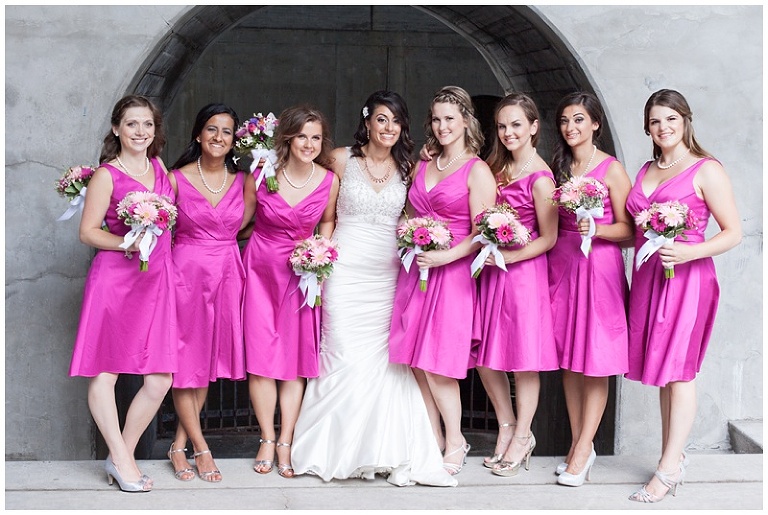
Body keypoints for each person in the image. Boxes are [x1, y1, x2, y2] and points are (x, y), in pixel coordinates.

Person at [290, 91, 457, 487]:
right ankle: (334, 447)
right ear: (367, 122)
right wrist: (317, 250)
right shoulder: (340, 159)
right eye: (381, 120)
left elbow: (422, 208)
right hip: (344, 272)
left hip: (388, 276)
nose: (388, 128)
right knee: (343, 351)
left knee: (386, 364)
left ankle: (382, 447)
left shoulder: (412, 167)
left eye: (396, 122)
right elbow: (319, 206)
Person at [624, 89, 741, 502]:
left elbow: (733, 233)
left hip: (688, 278)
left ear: (685, 120)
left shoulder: (706, 170)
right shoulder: (644, 169)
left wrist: (690, 250)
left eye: (671, 119)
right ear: (648, 128)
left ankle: (670, 468)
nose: (663, 128)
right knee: (661, 372)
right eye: (655, 121)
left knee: (679, 370)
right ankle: (669, 457)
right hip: (650, 279)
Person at [68, 95, 175, 492]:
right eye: (132, 124)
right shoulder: (106, 176)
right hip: (116, 280)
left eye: (147, 124)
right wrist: (126, 243)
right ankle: (122, 459)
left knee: (160, 378)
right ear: (117, 129)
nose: (140, 132)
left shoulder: (159, 167)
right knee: (106, 369)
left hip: (156, 279)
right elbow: (88, 232)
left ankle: (120, 455)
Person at [388, 86, 497, 476]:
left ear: (466, 120)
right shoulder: (424, 165)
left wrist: (446, 255)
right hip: (415, 272)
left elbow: (483, 232)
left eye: (450, 118)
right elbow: (409, 211)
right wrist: (407, 230)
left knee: (438, 362)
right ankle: (432, 436)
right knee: (415, 360)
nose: (442, 125)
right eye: (436, 118)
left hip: (451, 274)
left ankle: (456, 439)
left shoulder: (477, 170)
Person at [241, 105, 339, 479]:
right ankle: (266, 437)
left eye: (316, 137)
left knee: (295, 361)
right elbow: (241, 220)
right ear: (287, 138)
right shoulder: (262, 173)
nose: (309, 144)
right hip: (262, 270)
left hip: (303, 273)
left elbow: (328, 220)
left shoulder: (330, 180)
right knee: (262, 358)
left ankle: (286, 440)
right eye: (302, 136)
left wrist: (320, 251)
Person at [547, 91, 633, 487]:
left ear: (595, 124)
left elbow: (631, 230)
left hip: (598, 268)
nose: (571, 128)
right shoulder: (559, 167)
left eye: (579, 120)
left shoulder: (612, 169)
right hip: (562, 263)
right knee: (569, 357)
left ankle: (584, 447)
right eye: (565, 121)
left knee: (595, 357)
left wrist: (596, 230)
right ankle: (577, 443)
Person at [472, 93, 560, 477]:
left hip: (523, 274)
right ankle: (506, 425)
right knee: (485, 357)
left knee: (523, 361)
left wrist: (508, 257)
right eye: (503, 126)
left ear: (534, 127)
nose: (508, 133)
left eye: (516, 125)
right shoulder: (496, 168)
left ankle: (523, 435)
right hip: (492, 272)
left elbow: (549, 239)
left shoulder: (541, 179)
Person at [165, 103, 246, 483]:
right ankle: (201, 447)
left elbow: (247, 227)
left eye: (227, 131)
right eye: (212, 129)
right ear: (198, 134)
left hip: (228, 274)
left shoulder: (243, 181)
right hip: (186, 277)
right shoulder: (176, 178)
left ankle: (178, 445)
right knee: (187, 364)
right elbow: (160, 231)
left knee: (205, 367)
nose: (219, 137)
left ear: (235, 140)